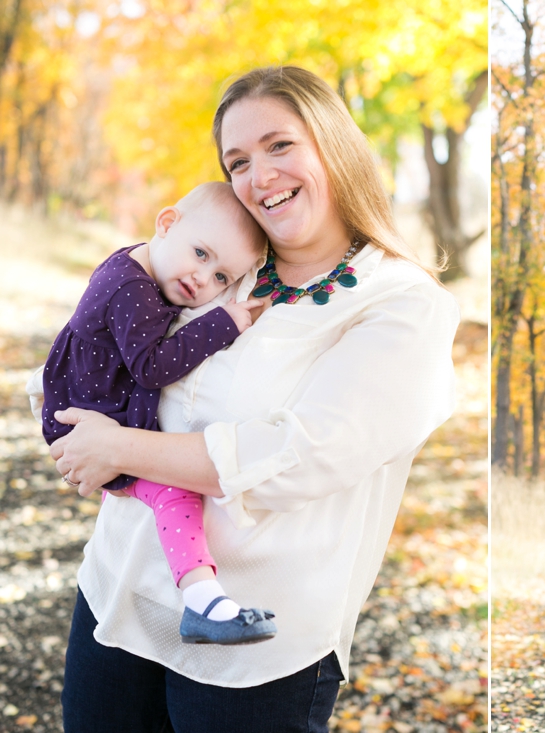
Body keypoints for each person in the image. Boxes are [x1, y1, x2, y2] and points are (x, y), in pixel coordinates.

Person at [46, 66, 458, 732]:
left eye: (279, 145)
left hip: (258, 645)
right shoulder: (220, 266)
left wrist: (117, 447)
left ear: (332, 143)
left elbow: (297, 456)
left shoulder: (402, 303)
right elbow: (124, 351)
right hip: (120, 592)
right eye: (237, 161)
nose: (258, 175)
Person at [35, 181, 277, 646]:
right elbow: (152, 367)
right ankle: (204, 603)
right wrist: (222, 322)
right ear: (166, 223)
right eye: (202, 254)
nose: (203, 280)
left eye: (223, 278)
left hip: (90, 408)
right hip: (87, 418)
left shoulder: (134, 264)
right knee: (175, 493)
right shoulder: (133, 291)